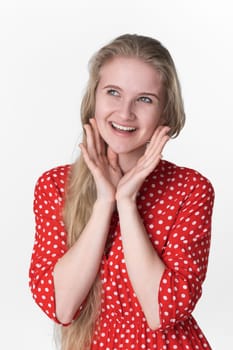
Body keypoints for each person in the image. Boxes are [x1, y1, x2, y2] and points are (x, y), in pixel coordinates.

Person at [29, 34, 215, 350]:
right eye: (113, 92)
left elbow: (161, 312)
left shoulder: (190, 190)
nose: (125, 112)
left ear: (165, 113)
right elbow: (60, 307)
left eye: (145, 99)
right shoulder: (55, 186)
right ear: (94, 99)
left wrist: (126, 202)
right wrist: (105, 201)